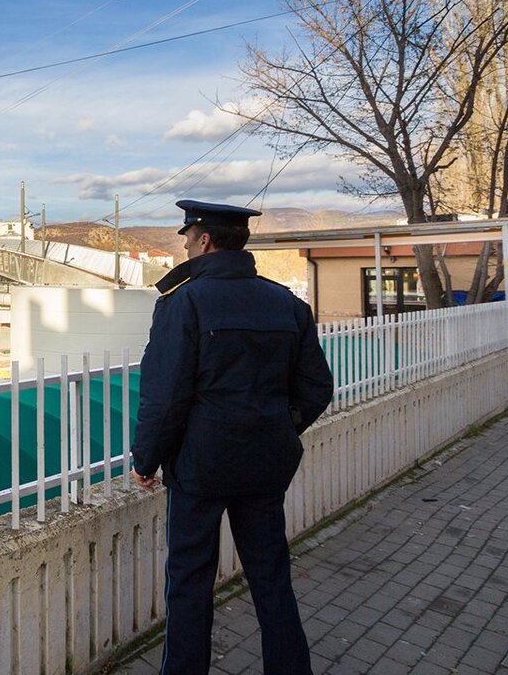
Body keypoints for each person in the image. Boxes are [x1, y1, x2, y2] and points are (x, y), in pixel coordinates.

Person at [131, 199, 333, 675]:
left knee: (189, 581)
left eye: (186, 240)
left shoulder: (184, 302)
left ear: (202, 240)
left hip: (201, 468)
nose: (183, 248)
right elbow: (317, 388)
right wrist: (280, 426)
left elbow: (166, 394)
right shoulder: (288, 303)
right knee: (270, 576)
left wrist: (147, 460)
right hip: (266, 465)